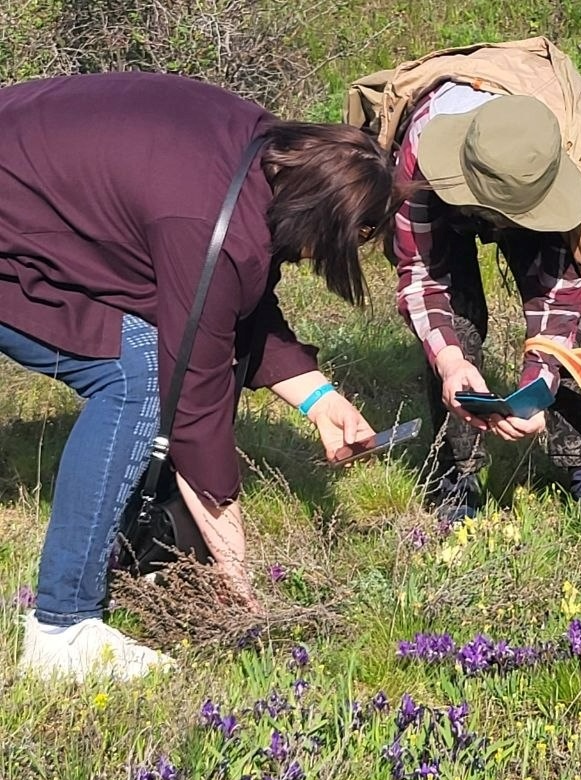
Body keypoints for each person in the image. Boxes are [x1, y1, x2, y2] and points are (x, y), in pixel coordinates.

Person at [0, 72, 393, 681]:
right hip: (11, 221)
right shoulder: (206, 222)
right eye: (341, 241)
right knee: (135, 379)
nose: (324, 258)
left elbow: (237, 292)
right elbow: (194, 403)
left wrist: (319, 399)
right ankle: (61, 628)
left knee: (145, 362)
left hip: (26, 173)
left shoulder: (258, 150)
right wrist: (242, 588)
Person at [392, 85, 581, 522]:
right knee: (455, 322)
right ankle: (457, 474)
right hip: (448, 183)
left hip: (529, 184)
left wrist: (538, 387)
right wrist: (451, 361)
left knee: (573, 331)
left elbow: (558, 297)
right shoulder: (420, 160)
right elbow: (422, 277)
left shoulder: (550, 159)